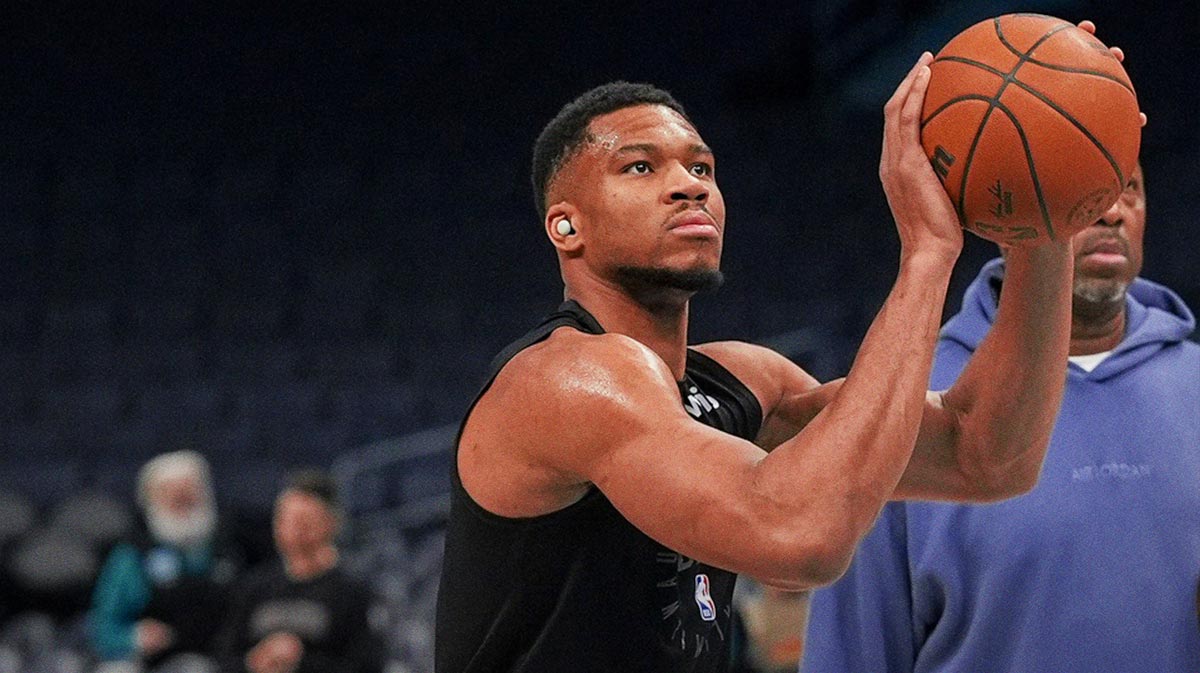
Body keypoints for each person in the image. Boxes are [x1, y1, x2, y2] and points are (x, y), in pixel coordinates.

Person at [434, 25, 1132, 669]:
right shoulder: (562, 379)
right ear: (566, 227)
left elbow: (985, 457)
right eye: (640, 168)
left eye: (703, 168)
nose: (688, 185)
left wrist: (1047, 216)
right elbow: (801, 534)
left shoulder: (742, 384)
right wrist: (926, 255)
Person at [801, 163, 1200, 671]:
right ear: (1003, 225)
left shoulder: (1194, 385)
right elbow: (851, 651)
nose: (1111, 212)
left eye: (1130, 191)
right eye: (1082, 191)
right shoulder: (903, 402)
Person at [215, 470, 385, 673]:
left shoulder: (353, 592)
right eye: (287, 520)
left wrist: (300, 661)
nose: (295, 530)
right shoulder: (254, 588)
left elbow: (367, 666)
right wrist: (255, 661)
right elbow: (223, 659)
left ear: (331, 524)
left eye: (304, 522)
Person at [90, 450, 244, 672]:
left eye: (188, 491)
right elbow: (103, 625)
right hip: (150, 661)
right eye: (170, 493)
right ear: (151, 500)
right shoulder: (132, 555)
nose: (181, 499)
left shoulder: (229, 546)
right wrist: (134, 637)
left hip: (215, 658)